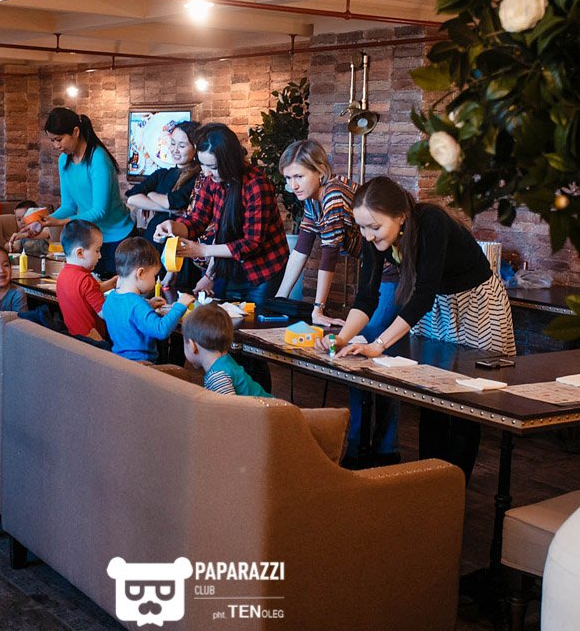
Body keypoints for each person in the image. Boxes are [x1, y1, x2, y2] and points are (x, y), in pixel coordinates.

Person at [317, 176, 515, 479]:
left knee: (467, 399)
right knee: (429, 394)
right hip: (436, 307)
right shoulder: (375, 238)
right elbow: (367, 296)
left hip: (475, 304)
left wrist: (378, 345)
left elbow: (422, 293)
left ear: (400, 216)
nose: (367, 235)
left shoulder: (431, 222)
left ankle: (455, 484)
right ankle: (429, 480)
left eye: (374, 227)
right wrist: (341, 339)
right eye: (361, 227)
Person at [154, 123, 289, 304]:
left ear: (229, 162)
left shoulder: (256, 184)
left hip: (262, 269)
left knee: (255, 318)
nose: (206, 172)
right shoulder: (209, 179)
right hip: (228, 268)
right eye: (202, 164)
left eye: (212, 166)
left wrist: (203, 250)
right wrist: (173, 227)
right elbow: (197, 220)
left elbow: (252, 243)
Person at [17, 108, 134, 277]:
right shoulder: (64, 160)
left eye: (59, 139)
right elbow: (69, 206)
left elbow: (99, 212)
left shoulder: (98, 158)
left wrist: (59, 222)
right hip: (92, 238)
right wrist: (44, 222)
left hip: (118, 236)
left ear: (76, 132)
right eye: (53, 141)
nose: (56, 146)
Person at [274, 139, 361, 327]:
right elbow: (301, 250)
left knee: (374, 328)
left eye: (299, 176)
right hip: (373, 263)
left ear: (320, 171)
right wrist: (279, 300)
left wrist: (318, 309)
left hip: (390, 265)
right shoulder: (312, 199)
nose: (293, 185)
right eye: (288, 178)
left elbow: (329, 255)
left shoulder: (334, 194)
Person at [126, 121, 204, 291]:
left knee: (177, 294)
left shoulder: (199, 177)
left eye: (181, 146)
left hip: (179, 248)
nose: (175, 150)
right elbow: (132, 198)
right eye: (173, 143)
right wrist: (164, 207)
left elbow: (175, 201)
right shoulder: (162, 174)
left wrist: (151, 195)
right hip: (154, 242)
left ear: (196, 148)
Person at [100, 237, 194, 362]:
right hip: (142, 364)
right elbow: (161, 330)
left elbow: (126, 315)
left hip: (119, 361)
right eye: (154, 275)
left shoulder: (111, 299)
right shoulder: (137, 304)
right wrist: (180, 305)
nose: (155, 280)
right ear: (141, 273)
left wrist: (148, 305)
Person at [182, 303, 272, 397]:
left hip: (270, 407)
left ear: (192, 346)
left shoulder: (217, 377)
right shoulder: (225, 361)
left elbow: (227, 406)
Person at [56, 219, 114, 341]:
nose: (100, 256)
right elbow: (105, 313)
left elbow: (86, 292)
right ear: (80, 253)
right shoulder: (86, 280)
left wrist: (112, 283)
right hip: (92, 340)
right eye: (97, 250)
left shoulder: (63, 275)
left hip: (73, 337)